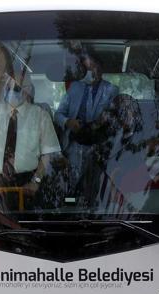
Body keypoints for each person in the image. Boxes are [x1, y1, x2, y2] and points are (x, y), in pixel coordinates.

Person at [0, 75, 63, 194]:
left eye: (15, 87)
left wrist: (35, 182)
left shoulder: (40, 116)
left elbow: (48, 155)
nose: (9, 90)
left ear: (26, 92)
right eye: (7, 85)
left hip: (25, 185)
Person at [54, 52, 119, 193]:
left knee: (93, 186)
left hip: (98, 148)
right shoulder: (74, 88)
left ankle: (92, 210)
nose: (91, 72)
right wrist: (68, 122)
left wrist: (100, 123)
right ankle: (70, 207)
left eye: (94, 67)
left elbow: (114, 120)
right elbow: (57, 115)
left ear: (100, 69)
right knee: (71, 185)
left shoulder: (111, 90)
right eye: (87, 69)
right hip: (74, 145)